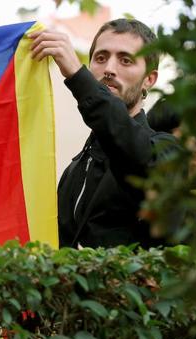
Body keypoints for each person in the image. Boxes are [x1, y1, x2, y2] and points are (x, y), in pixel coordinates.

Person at [29, 18, 178, 248]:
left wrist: (78, 78)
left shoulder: (165, 148)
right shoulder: (74, 169)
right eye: (101, 58)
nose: (109, 69)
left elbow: (136, 154)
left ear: (149, 79)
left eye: (125, 60)